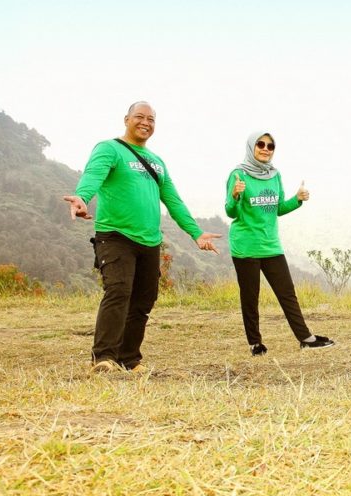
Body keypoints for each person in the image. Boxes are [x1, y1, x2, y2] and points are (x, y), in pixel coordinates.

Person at [63, 101, 222, 373]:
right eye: (139, 116)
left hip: (150, 241)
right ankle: (103, 357)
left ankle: (129, 359)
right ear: (126, 119)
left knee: (143, 301)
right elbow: (93, 176)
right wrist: (82, 197)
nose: (145, 122)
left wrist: (196, 233)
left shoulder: (157, 162)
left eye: (151, 119)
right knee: (118, 292)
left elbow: (173, 200)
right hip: (115, 236)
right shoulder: (110, 148)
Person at [225, 132, 333, 355]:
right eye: (260, 144)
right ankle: (255, 343)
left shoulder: (275, 175)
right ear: (251, 147)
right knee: (250, 297)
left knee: (287, 293)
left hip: (271, 245)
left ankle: (306, 338)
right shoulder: (238, 174)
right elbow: (230, 211)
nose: (266, 149)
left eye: (270, 146)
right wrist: (235, 196)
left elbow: (278, 208)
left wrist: (297, 199)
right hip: (246, 247)